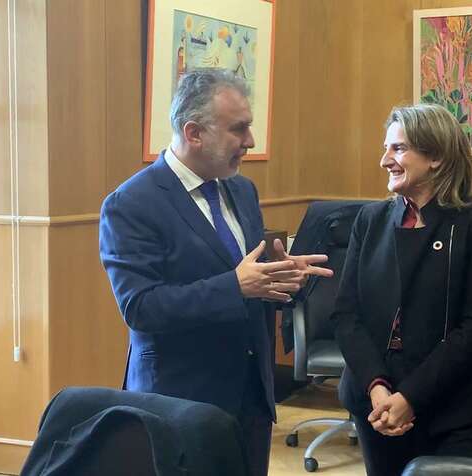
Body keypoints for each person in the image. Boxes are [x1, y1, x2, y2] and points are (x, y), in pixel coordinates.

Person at [99, 68, 332, 476]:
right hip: (179, 403)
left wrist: (281, 279)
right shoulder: (131, 204)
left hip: (251, 398)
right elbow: (140, 308)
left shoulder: (241, 189)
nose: (251, 141)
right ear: (193, 133)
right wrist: (235, 286)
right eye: (238, 129)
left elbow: (246, 277)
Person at [332, 103, 472, 475]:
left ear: (437, 157)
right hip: (375, 401)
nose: (385, 161)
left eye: (398, 149)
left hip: (454, 406)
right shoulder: (370, 220)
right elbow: (347, 315)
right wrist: (378, 390)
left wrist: (410, 397)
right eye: (386, 148)